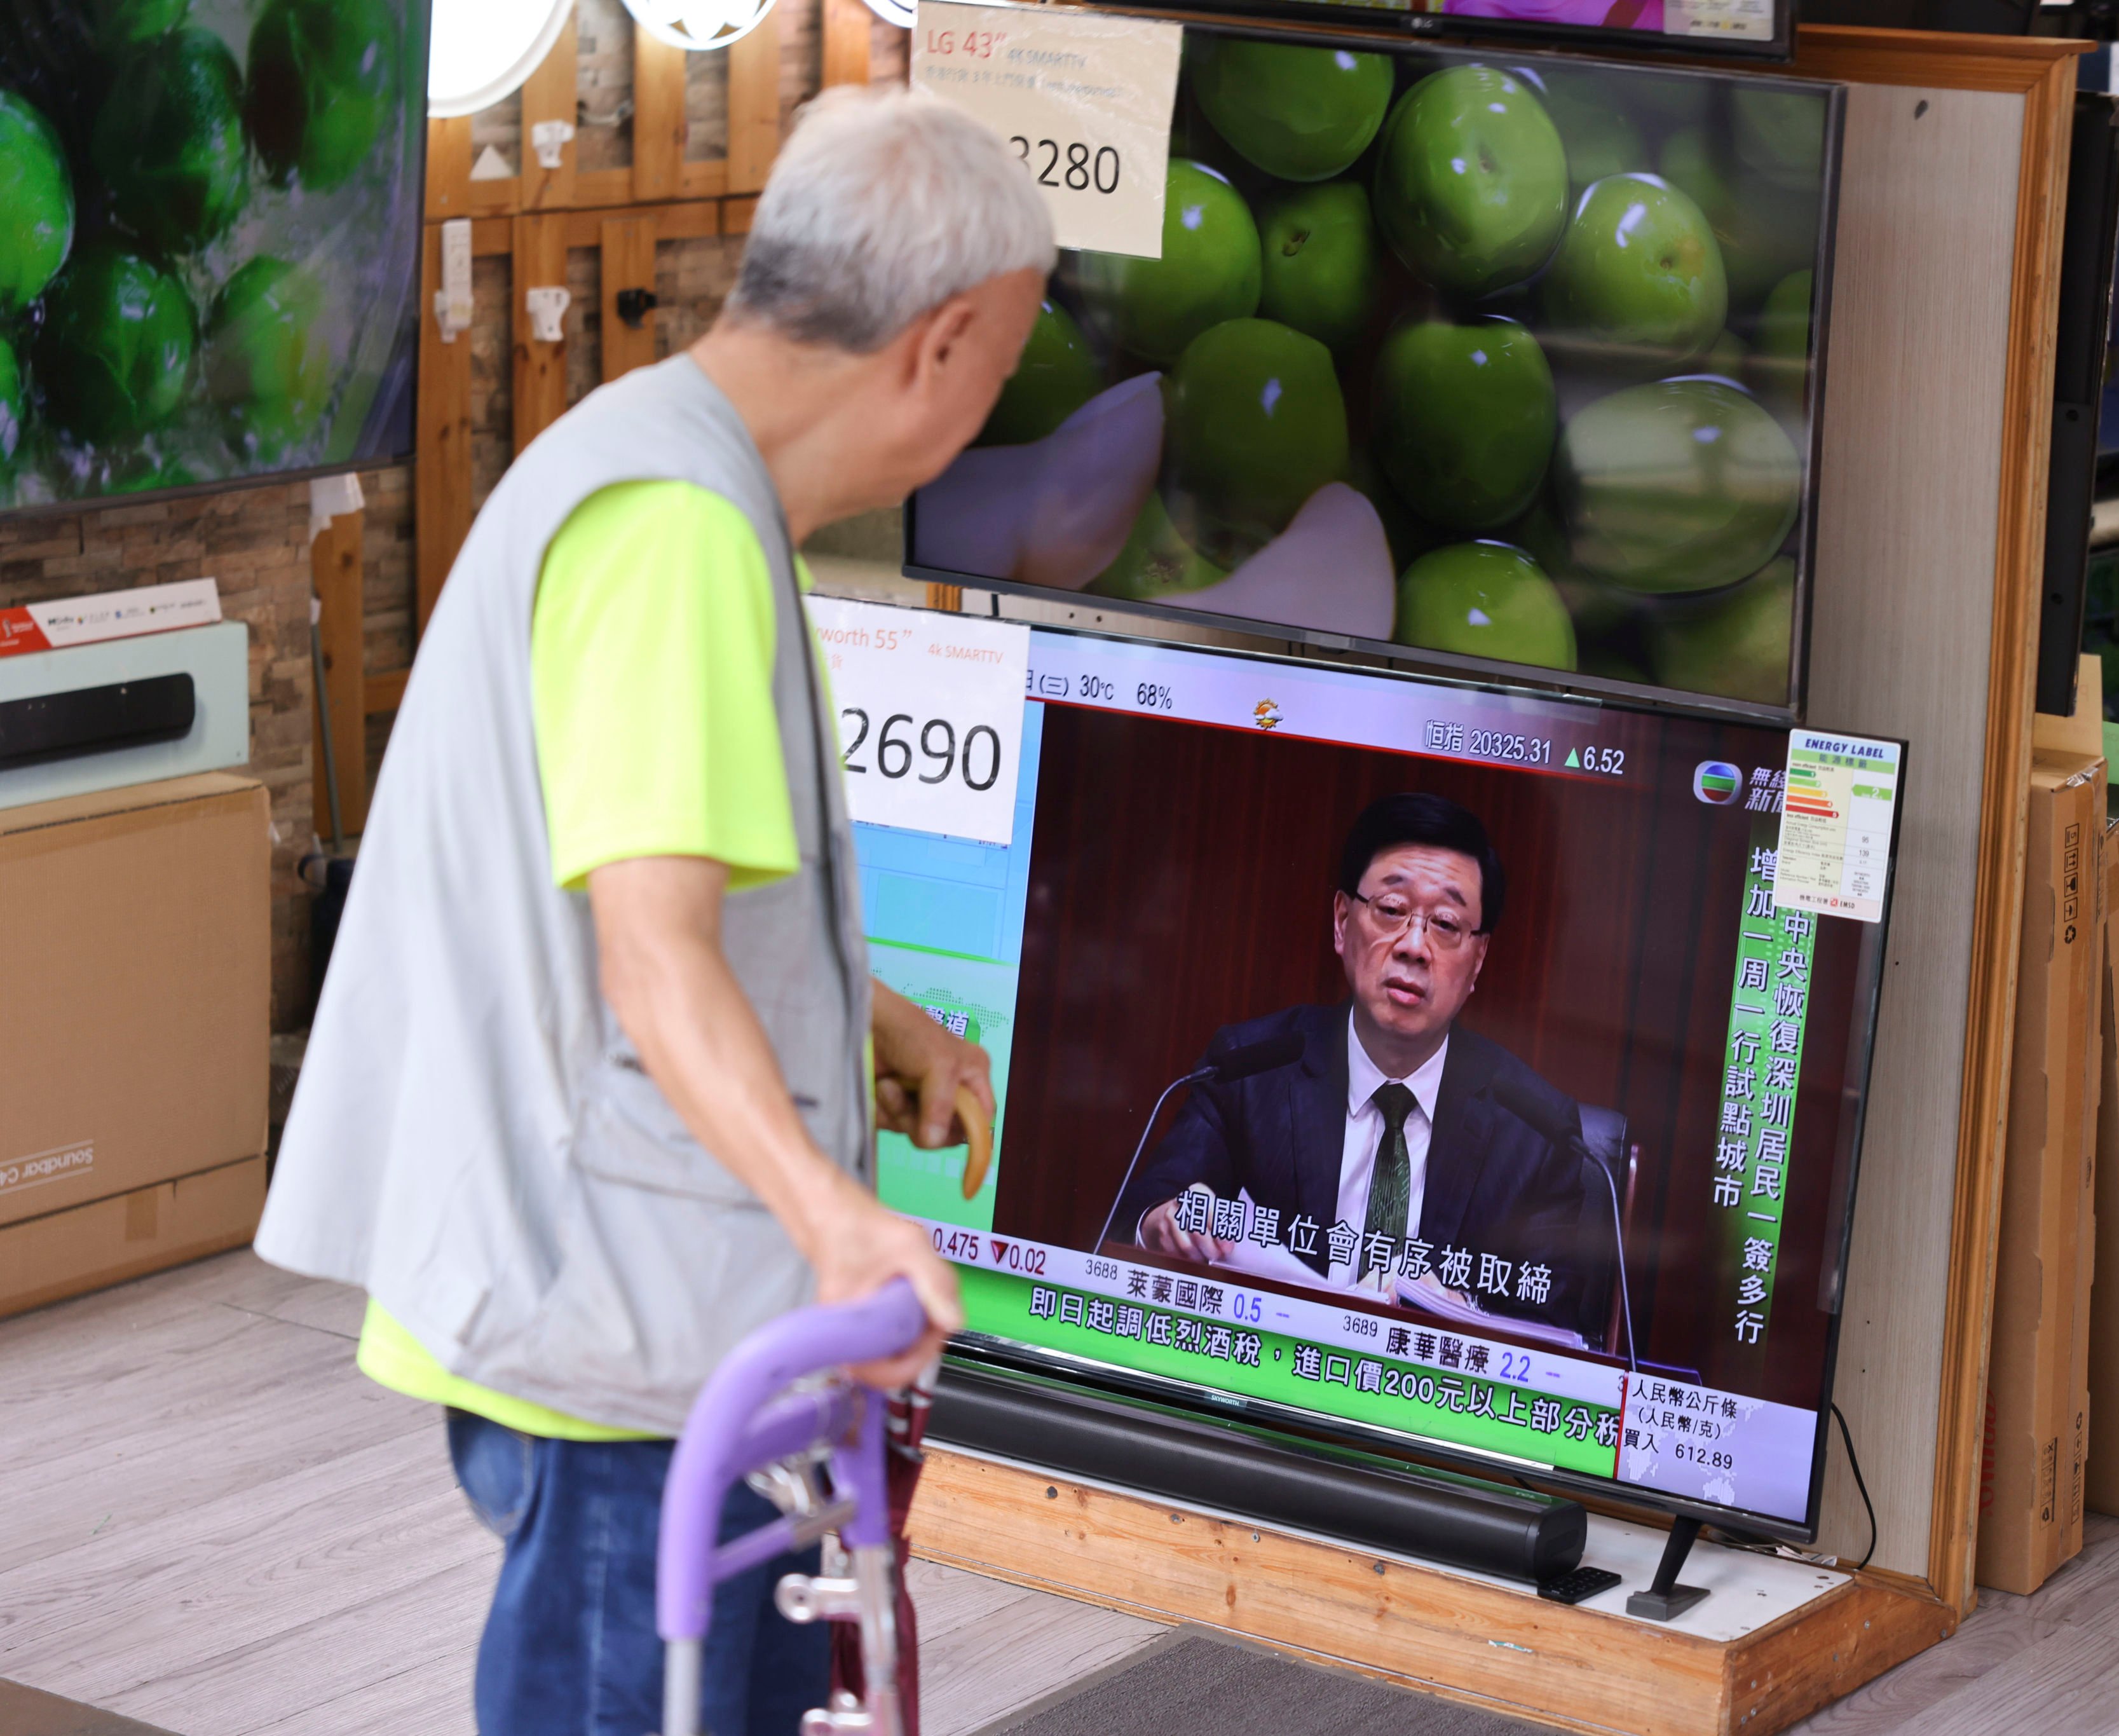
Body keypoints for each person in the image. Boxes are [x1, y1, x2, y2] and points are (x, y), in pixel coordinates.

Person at [254, 88, 1056, 1733]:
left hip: (656, 1306)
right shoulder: (674, 532)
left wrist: (880, 1022)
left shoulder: (672, 475)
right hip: (617, 1325)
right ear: (945, 342)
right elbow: (650, 954)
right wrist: (840, 1221)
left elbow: (663, 880)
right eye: (1009, 365)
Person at [1118, 793, 1604, 1339]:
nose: (1414, 947)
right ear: (1343, 921)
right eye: (1392, 911)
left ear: (1479, 960)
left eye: (1445, 923)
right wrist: (1164, 1224)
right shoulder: (1248, 1069)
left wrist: (1463, 1312)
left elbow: (1557, 1321)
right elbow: (1142, 1210)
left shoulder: (1536, 1133)